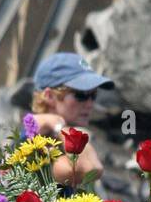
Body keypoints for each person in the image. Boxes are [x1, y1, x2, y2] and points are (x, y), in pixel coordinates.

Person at [27, 52, 113, 189]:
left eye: (94, 95)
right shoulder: (33, 139)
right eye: (81, 95)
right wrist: (59, 125)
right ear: (49, 96)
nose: (90, 104)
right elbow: (89, 168)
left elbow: (95, 168)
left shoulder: (57, 137)